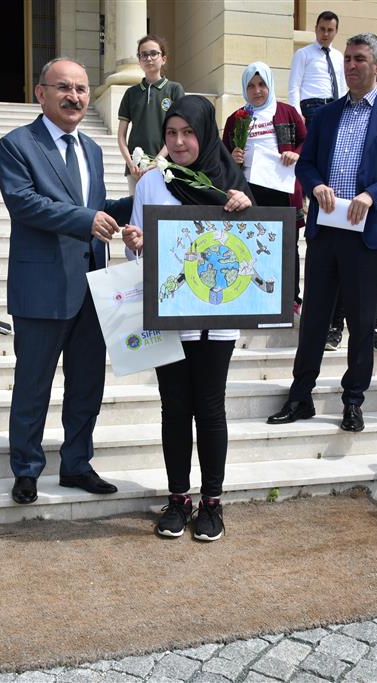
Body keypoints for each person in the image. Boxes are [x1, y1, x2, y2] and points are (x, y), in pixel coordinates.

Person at [267, 33, 377, 433]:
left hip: (367, 235)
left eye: (360, 59)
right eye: (348, 59)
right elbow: (306, 163)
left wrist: (372, 196)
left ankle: (353, 400)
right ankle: (301, 396)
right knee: (315, 319)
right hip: (326, 231)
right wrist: (316, 184)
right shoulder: (327, 115)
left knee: (360, 322)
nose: (351, 65)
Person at [0, 57, 133, 505]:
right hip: (41, 288)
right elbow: (24, 203)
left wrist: (138, 202)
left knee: (87, 383)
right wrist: (87, 218)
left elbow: (95, 206)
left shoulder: (92, 148)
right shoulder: (17, 144)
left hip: (92, 286)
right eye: (64, 88)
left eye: (81, 88)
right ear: (41, 93)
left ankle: (76, 463)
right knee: (34, 383)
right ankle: (27, 468)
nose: (75, 96)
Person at [122, 95, 253, 541]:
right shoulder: (151, 183)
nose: (179, 142)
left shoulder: (230, 183)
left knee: (210, 408)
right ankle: (178, 498)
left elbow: (254, 245)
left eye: (188, 133)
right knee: (175, 408)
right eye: (171, 133)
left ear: (205, 132)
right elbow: (135, 247)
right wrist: (134, 241)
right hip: (167, 312)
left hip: (216, 319)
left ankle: (212, 503)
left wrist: (245, 208)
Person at [222, 61, 306, 313]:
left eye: (262, 84)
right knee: (250, 242)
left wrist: (295, 154)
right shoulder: (237, 118)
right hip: (248, 191)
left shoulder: (287, 112)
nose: (257, 90)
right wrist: (233, 156)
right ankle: (250, 292)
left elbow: (307, 142)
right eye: (251, 85)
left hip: (282, 189)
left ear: (270, 85)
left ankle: (291, 297)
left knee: (287, 244)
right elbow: (222, 154)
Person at [325, 72, 377, 352]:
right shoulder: (350, 121)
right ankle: (335, 326)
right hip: (345, 211)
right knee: (342, 271)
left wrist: (375, 196)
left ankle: (374, 327)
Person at [117, 34, 183, 194]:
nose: (149, 58)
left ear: (164, 59)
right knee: (137, 213)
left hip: (166, 167)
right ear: (139, 60)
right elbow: (121, 136)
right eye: (143, 55)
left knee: (162, 214)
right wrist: (131, 163)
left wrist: (158, 160)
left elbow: (179, 131)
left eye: (154, 53)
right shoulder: (131, 93)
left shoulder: (174, 90)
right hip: (136, 170)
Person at [287, 11, 347, 130]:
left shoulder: (339, 56)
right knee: (314, 146)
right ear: (316, 29)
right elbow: (294, 85)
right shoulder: (303, 53)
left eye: (330, 30)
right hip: (311, 108)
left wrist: (345, 110)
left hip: (335, 106)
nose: (325, 34)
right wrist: (297, 113)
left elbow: (342, 86)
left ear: (336, 32)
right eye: (322, 29)